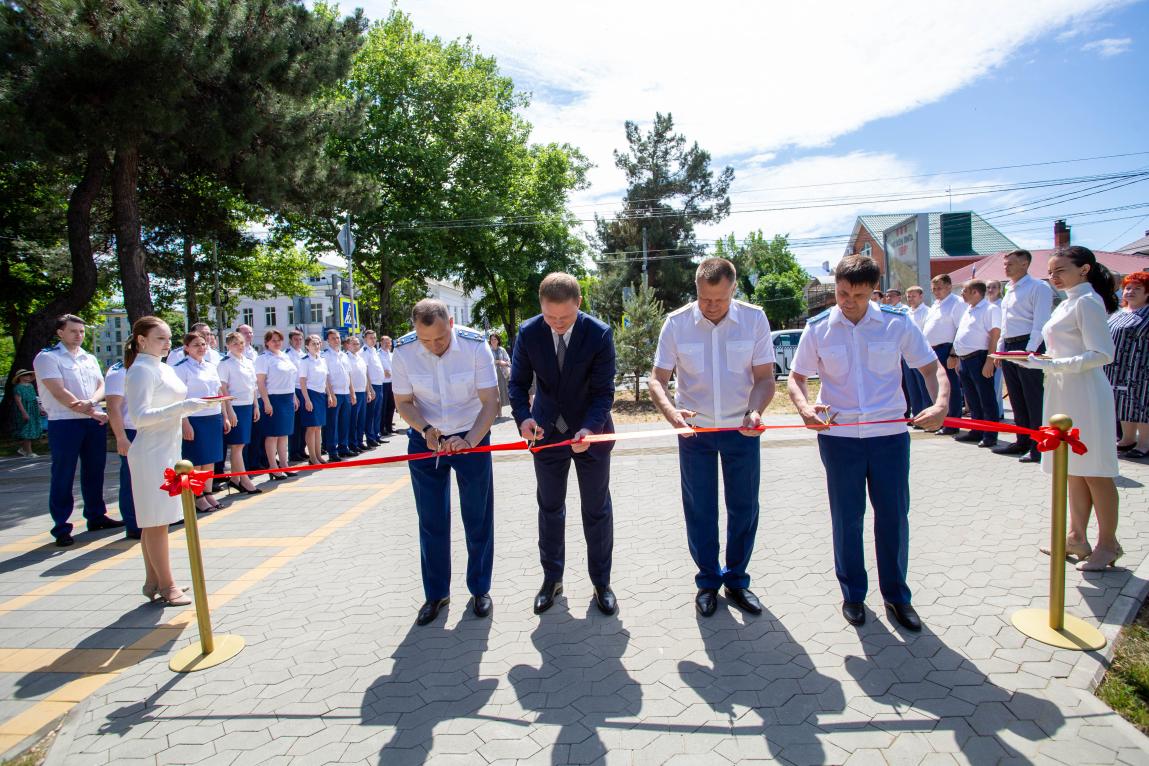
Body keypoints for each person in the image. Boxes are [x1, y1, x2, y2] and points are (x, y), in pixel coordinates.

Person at [788, 254, 950, 630]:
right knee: (847, 518)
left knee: (893, 517)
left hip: (888, 437)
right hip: (839, 439)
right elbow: (796, 378)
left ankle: (897, 597)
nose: (848, 302)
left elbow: (931, 368)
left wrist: (941, 403)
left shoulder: (896, 324)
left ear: (873, 292)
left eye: (858, 295)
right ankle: (853, 595)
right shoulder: (819, 328)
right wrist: (805, 408)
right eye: (842, 293)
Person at [648, 258, 775, 618]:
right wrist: (671, 413)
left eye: (719, 299)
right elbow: (657, 378)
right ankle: (707, 582)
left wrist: (756, 410)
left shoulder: (754, 319)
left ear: (733, 289)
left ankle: (736, 580)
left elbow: (765, 378)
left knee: (744, 507)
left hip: (742, 430)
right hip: (695, 433)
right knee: (700, 509)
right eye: (704, 298)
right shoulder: (676, 323)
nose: (711, 306)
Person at [509, 273, 618, 616]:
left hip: (591, 435)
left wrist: (590, 428)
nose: (556, 324)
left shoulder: (598, 333)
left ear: (579, 304)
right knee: (550, 508)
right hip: (545, 435)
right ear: (540, 306)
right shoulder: (528, 332)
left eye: (565, 318)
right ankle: (551, 579)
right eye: (550, 316)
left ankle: (601, 583)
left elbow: (604, 392)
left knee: (596, 509)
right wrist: (524, 419)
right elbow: (517, 384)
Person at [1009, 246, 1121, 571]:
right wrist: (1040, 361)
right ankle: (1076, 536)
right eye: (1051, 271)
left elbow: (1102, 353)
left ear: (1084, 269)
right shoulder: (1068, 302)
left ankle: (1108, 543)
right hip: (1062, 390)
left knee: (1095, 471)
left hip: (1085, 392)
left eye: (1060, 270)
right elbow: (1062, 348)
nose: (1053, 277)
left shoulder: (1088, 301)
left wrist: (1053, 363)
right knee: (1070, 469)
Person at [392, 299, 500, 626]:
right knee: (431, 519)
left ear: (450, 323)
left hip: (472, 433)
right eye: (426, 340)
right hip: (426, 437)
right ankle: (436, 593)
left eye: (440, 338)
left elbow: (490, 402)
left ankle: (480, 589)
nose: (434, 346)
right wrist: (426, 429)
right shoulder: (404, 351)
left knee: (477, 515)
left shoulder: (474, 346)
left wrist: (470, 440)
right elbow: (404, 403)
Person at [124, 316, 219, 606]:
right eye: (160, 339)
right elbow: (139, 417)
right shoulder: (140, 370)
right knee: (156, 521)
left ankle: (153, 579)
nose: (166, 344)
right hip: (151, 452)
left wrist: (193, 406)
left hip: (167, 449)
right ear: (141, 340)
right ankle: (167, 585)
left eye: (168, 339)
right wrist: (183, 407)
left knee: (158, 520)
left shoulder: (160, 367)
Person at [33, 314, 123, 546]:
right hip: (65, 422)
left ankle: (96, 515)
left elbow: (101, 385)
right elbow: (58, 391)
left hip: (91, 421)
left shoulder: (88, 357)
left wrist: (91, 402)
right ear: (60, 332)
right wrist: (90, 409)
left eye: (81, 331)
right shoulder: (48, 357)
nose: (79, 336)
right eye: (73, 331)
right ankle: (61, 526)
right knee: (64, 473)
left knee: (95, 470)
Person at [993, 249, 1055, 463]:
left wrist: (1030, 351)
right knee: (1016, 398)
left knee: (1032, 397)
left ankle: (1039, 447)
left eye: (1011, 263)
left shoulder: (1038, 287)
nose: (1006, 267)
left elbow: (1040, 322)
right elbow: (1005, 322)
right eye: (1005, 263)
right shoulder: (1009, 289)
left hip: (1028, 344)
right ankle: (1022, 441)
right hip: (1010, 345)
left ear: (1025, 264)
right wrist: (1001, 349)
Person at [173, 333, 228, 511]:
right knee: (196, 459)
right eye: (196, 345)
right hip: (195, 418)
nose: (201, 348)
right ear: (186, 348)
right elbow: (178, 398)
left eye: (203, 344)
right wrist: (185, 422)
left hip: (213, 415)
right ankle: (196, 495)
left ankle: (208, 492)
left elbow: (219, 392)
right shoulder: (181, 368)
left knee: (210, 458)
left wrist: (225, 416)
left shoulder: (211, 367)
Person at [948, 279, 1002, 447]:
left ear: (976, 292)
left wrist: (990, 360)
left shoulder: (990, 309)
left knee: (986, 398)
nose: (961, 294)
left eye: (964, 290)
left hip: (979, 358)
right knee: (972, 399)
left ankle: (990, 435)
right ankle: (976, 430)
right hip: (965, 360)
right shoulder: (968, 310)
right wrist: (957, 357)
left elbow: (995, 335)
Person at [1107, 272, 1149, 459]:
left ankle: (1144, 443)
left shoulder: (1147, 313)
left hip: (1140, 368)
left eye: (1137, 288)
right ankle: (1127, 439)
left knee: (1141, 406)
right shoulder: (1119, 312)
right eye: (1128, 288)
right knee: (1123, 404)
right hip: (1117, 368)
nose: (1130, 291)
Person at [217, 332, 261, 495]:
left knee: (242, 444)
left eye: (241, 343)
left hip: (248, 405)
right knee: (237, 445)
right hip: (235, 406)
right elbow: (223, 389)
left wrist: (256, 406)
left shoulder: (248, 362)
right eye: (235, 343)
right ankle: (244, 480)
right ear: (228, 345)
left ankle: (235, 479)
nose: (239, 346)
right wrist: (229, 411)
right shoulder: (225, 363)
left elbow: (253, 386)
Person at [921, 274, 967, 433]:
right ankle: (939, 421)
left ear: (949, 286)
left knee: (950, 387)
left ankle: (952, 423)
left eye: (939, 288)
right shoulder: (936, 305)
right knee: (936, 387)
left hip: (946, 349)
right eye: (933, 289)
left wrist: (954, 354)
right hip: (932, 350)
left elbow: (961, 329)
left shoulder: (956, 303)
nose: (936, 291)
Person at [104, 359, 141, 539]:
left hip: (154, 429)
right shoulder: (120, 371)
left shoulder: (156, 366)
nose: (166, 344)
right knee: (132, 478)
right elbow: (113, 406)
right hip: (131, 430)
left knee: (153, 477)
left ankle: (153, 518)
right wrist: (121, 437)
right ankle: (133, 522)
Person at [255, 329, 299, 481]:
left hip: (287, 398)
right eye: (273, 340)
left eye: (279, 340)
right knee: (272, 435)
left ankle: (284, 464)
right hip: (272, 398)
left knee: (283, 434)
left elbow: (291, 378)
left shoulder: (284, 356)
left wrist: (293, 397)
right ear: (267, 342)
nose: (277, 343)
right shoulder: (263, 358)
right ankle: (273, 466)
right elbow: (260, 383)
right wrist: (266, 402)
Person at [299, 334, 335, 465]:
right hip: (310, 394)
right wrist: (307, 400)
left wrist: (329, 395)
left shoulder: (322, 359)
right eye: (313, 344)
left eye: (318, 343)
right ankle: (312, 457)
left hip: (320, 395)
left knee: (318, 427)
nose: (317, 346)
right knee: (311, 427)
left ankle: (318, 455)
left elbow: (325, 379)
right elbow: (302, 381)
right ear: (307, 346)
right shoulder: (305, 361)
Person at [322, 329, 354, 458]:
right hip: (335, 393)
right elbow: (326, 377)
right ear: (328, 340)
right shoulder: (325, 356)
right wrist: (331, 394)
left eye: (338, 338)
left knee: (344, 422)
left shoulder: (344, 355)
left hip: (346, 393)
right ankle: (332, 451)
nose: (336, 340)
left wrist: (352, 393)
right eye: (333, 338)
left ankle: (343, 447)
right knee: (332, 424)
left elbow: (348, 375)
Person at [902, 287, 931, 421]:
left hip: (920, 354)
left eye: (913, 296)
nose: (910, 299)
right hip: (907, 355)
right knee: (912, 388)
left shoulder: (927, 312)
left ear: (921, 296)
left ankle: (926, 417)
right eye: (908, 296)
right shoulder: (906, 312)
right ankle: (917, 416)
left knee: (923, 387)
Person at [347, 336, 374, 452]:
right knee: (353, 420)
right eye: (353, 344)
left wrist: (368, 391)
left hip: (362, 391)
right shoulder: (346, 357)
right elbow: (348, 377)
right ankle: (352, 444)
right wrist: (352, 393)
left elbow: (365, 376)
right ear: (348, 345)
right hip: (354, 392)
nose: (356, 346)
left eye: (358, 344)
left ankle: (359, 441)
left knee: (361, 420)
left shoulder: (360, 358)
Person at [286, 329, 308, 462]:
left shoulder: (303, 354)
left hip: (304, 389)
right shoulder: (287, 355)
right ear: (290, 340)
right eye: (295, 339)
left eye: (300, 339)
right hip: (294, 390)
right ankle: (293, 452)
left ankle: (301, 449)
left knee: (304, 423)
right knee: (295, 423)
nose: (298, 342)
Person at [362, 330, 387, 446]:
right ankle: (370, 437)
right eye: (370, 338)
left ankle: (376, 434)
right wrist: (370, 388)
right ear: (365, 339)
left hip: (379, 384)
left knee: (378, 412)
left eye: (374, 337)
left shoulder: (373, 351)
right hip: (372, 386)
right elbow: (365, 371)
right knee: (371, 413)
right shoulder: (365, 352)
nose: (373, 340)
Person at [11, 369, 43, 457]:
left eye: (29, 375)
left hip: (33, 409)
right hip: (25, 409)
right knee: (27, 430)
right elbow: (18, 401)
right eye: (26, 375)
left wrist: (40, 408)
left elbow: (34, 398)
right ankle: (29, 452)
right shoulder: (18, 388)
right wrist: (24, 412)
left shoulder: (30, 386)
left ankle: (23, 449)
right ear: (20, 377)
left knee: (33, 429)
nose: (28, 377)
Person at [489, 334, 512, 413]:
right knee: (496, 393)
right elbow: (488, 362)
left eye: (495, 339)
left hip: (504, 373)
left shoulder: (502, 349)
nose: (493, 341)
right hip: (493, 374)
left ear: (498, 340)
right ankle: (499, 412)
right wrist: (498, 361)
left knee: (505, 391)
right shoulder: (488, 350)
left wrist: (504, 363)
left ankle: (513, 409)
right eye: (492, 339)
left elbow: (508, 361)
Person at [380, 335, 396, 435]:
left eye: (389, 342)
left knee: (391, 406)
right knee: (383, 407)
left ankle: (389, 427)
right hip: (383, 383)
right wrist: (383, 372)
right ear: (381, 343)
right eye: (385, 342)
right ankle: (381, 428)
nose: (387, 344)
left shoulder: (391, 354)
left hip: (392, 383)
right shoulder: (378, 354)